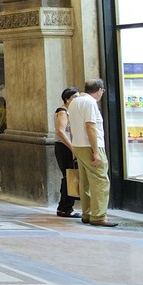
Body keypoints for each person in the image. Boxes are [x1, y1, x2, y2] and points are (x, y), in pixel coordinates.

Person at [66, 79, 117, 227]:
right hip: (90, 145)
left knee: (86, 181)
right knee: (100, 180)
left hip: (79, 145)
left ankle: (87, 213)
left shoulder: (75, 101)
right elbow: (90, 127)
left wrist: (75, 146)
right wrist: (96, 151)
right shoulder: (90, 103)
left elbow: (71, 126)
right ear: (99, 90)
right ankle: (99, 216)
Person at [53, 87, 79, 218]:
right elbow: (60, 131)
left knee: (70, 175)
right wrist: (72, 147)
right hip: (63, 147)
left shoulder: (71, 112)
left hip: (68, 147)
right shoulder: (62, 111)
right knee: (68, 175)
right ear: (67, 99)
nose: (77, 100)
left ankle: (66, 206)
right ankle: (64, 207)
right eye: (74, 97)